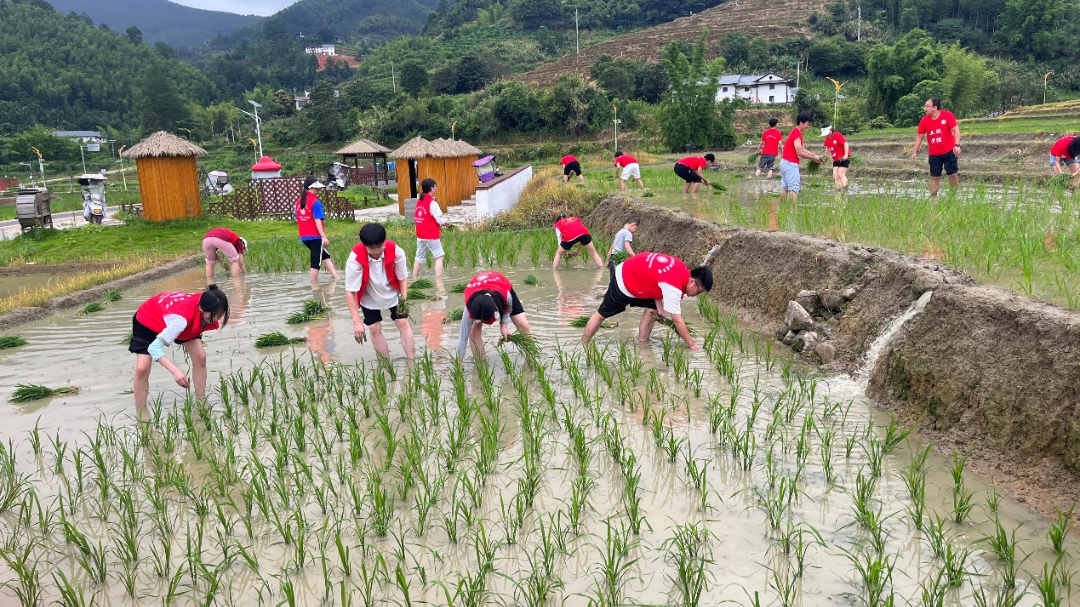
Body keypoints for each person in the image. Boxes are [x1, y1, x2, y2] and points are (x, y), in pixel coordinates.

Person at [582, 252, 712, 349]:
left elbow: (655, 276)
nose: (696, 295)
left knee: (652, 310)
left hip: (637, 272)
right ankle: (584, 344)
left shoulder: (681, 267)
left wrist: (659, 307)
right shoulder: (674, 287)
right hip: (624, 279)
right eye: (699, 291)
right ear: (692, 281)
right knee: (601, 315)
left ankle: (642, 342)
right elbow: (677, 320)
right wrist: (692, 344)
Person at [129, 285, 229, 409]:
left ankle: (202, 402)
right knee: (142, 368)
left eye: (220, 316)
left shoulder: (210, 300)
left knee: (200, 357)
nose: (216, 319)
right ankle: (141, 412)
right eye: (214, 315)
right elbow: (154, 348)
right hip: (148, 319)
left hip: (176, 317)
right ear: (202, 308)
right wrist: (175, 371)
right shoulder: (181, 320)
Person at [346, 223, 415, 360]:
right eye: (371, 249)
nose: (377, 251)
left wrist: (403, 299)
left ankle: (412, 362)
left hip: (393, 291)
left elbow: (403, 278)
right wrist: (357, 321)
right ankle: (386, 365)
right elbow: (350, 291)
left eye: (380, 247)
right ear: (364, 245)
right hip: (369, 295)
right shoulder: (355, 258)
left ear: (384, 241)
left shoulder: (396, 251)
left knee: (402, 322)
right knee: (374, 328)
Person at [457, 271, 533, 359]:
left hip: (499, 284)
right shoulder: (469, 307)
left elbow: (509, 308)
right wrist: (459, 363)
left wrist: (503, 326)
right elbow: (462, 338)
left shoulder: (505, 295)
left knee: (524, 325)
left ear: (496, 308)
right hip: (477, 289)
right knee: (473, 333)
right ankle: (480, 364)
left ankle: (531, 357)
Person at [911, 97, 961, 196]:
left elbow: (956, 130)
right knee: (935, 176)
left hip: (949, 151)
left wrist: (957, 145)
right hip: (934, 153)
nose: (925, 108)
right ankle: (933, 198)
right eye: (925, 106)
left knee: (952, 174)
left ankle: (953, 196)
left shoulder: (947, 115)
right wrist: (914, 151)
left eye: (927, 106)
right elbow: (920, 136)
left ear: (935, 107)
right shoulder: (924, 121)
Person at [297, 176, 340, 281]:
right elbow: (318, 221)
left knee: (324, 255)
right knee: (316, 260)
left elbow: (297, 219)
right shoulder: (315, 202)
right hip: (315, 236)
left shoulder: (298, 202)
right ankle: (313, 284)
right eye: (317, 188)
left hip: (304, 236)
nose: (319, 190)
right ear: (312, 188)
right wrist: (323, 236)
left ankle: (336, 276)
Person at [779, 112, 824, 205]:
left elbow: (802, 149)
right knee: (794, 188)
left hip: (784, 162)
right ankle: (793, 211)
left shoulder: (795, 132)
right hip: (790, 164)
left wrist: (814, 155)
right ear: (801, 122)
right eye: (808, 124)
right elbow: (799, 152)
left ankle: (782, 209)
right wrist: (813, 159)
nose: (808, 126)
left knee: (785, 187)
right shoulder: (796, 134)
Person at [412, 178, 448, 278]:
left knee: (418, 258)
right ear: (431, 188)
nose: (436, 188)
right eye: (435, 186)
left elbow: (417, 219)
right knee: (439, 256)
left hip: (420, 235)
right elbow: (439, 220)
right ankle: (439, 279)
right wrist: (448, 224)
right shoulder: (432, 203)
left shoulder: (419, 202)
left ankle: (414, 278)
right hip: (431, 235)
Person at [822, 125, 850, 192]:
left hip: (842, 158)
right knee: (835, 176)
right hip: (835, 159)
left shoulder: (837, 135)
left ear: (831, 130)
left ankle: (846, 190)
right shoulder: (827, 138)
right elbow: (827, 147)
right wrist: (825, 156)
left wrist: (845, 155)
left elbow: (845, 143)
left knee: (841, 174)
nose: (827, 134)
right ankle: (839, 191)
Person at [756, 118, 783, 187]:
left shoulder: (766, 132)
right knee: (770, 168)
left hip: (764, 153)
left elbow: (761, 143)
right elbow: (780, 144)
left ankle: (756, 181)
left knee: (760, 167)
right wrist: (782, 152)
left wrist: (757, 151)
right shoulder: (778, 133)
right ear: (776, 124)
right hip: (772, 154)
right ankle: (768, 183)